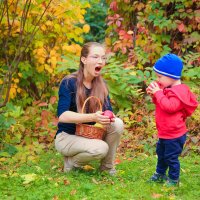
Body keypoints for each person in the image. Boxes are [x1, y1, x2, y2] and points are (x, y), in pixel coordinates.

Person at [55, 42, 124, 175]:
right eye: (95, 57)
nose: (100, 61)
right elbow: (62, 116)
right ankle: (71, 163)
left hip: (90, 135)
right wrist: (92, 116)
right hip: (67, 136)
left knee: (118, 124)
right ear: (84, 59)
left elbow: (107, 113)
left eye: (103, 58)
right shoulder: (69, 82)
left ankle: (107, 168)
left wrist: (108, 117)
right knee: (101, 148)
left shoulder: (101, 85)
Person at [146, 53, 198, 186]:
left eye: (160, 76)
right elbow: (161, 104)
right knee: (161, 155)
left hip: (174, 134)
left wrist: (158, 93)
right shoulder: (167, 88)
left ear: (171, 75)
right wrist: (154, 94)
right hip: (165, 132)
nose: (158, 79)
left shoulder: (179, 92)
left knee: (171, 157)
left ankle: (174, 179)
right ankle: (160, 173)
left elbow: (170, 107)